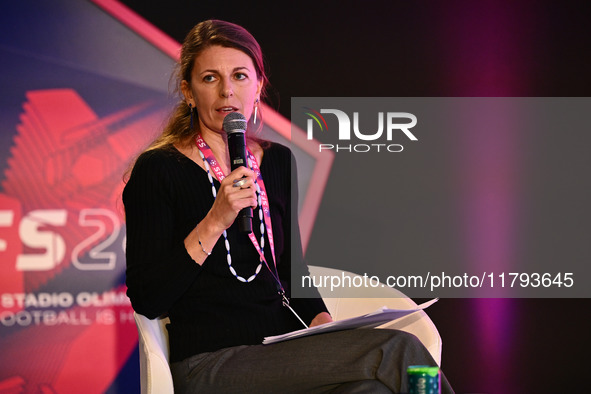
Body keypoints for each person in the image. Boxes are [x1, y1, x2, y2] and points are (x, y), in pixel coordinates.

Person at [123, 19, 454, 393]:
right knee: (398, 347)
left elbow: (291, 270)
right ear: (188, 91)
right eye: (211, 78)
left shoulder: (277, 161)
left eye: (240, 76)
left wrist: (325, 323)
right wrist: (215, 220)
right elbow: (148, 297)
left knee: (371, 391)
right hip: (210, 364)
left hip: (286, 352)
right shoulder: (159, 169)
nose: (227, 91)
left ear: (258, 86)